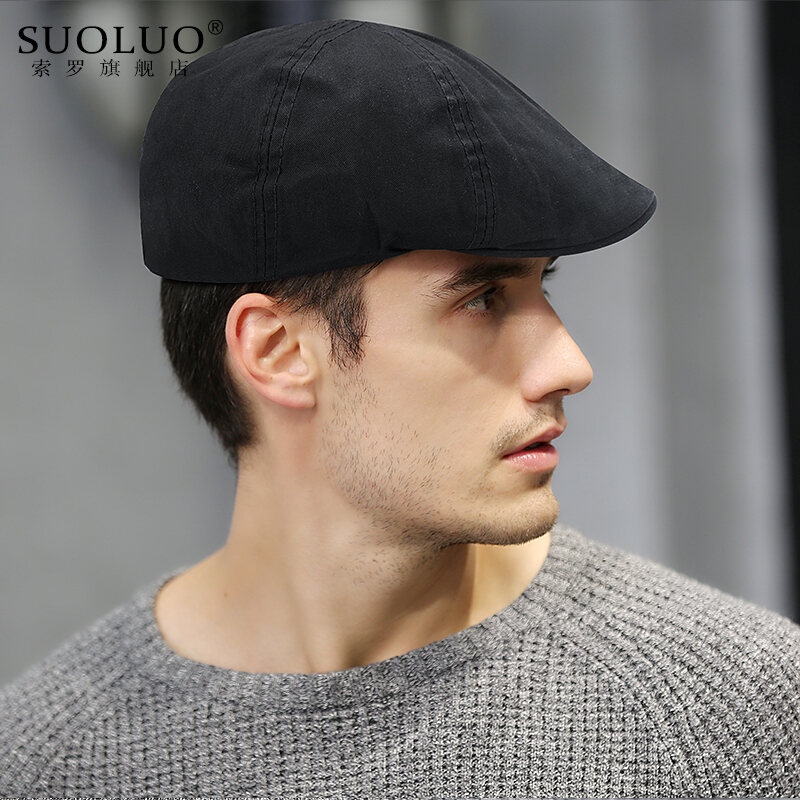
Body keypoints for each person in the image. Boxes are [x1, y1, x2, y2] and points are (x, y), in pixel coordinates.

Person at [1, 17, 798, 797]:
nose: (571, 365)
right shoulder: (46, 762)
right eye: (482, 299)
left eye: (542, 286)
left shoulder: (725, 714)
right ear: (277, 351)